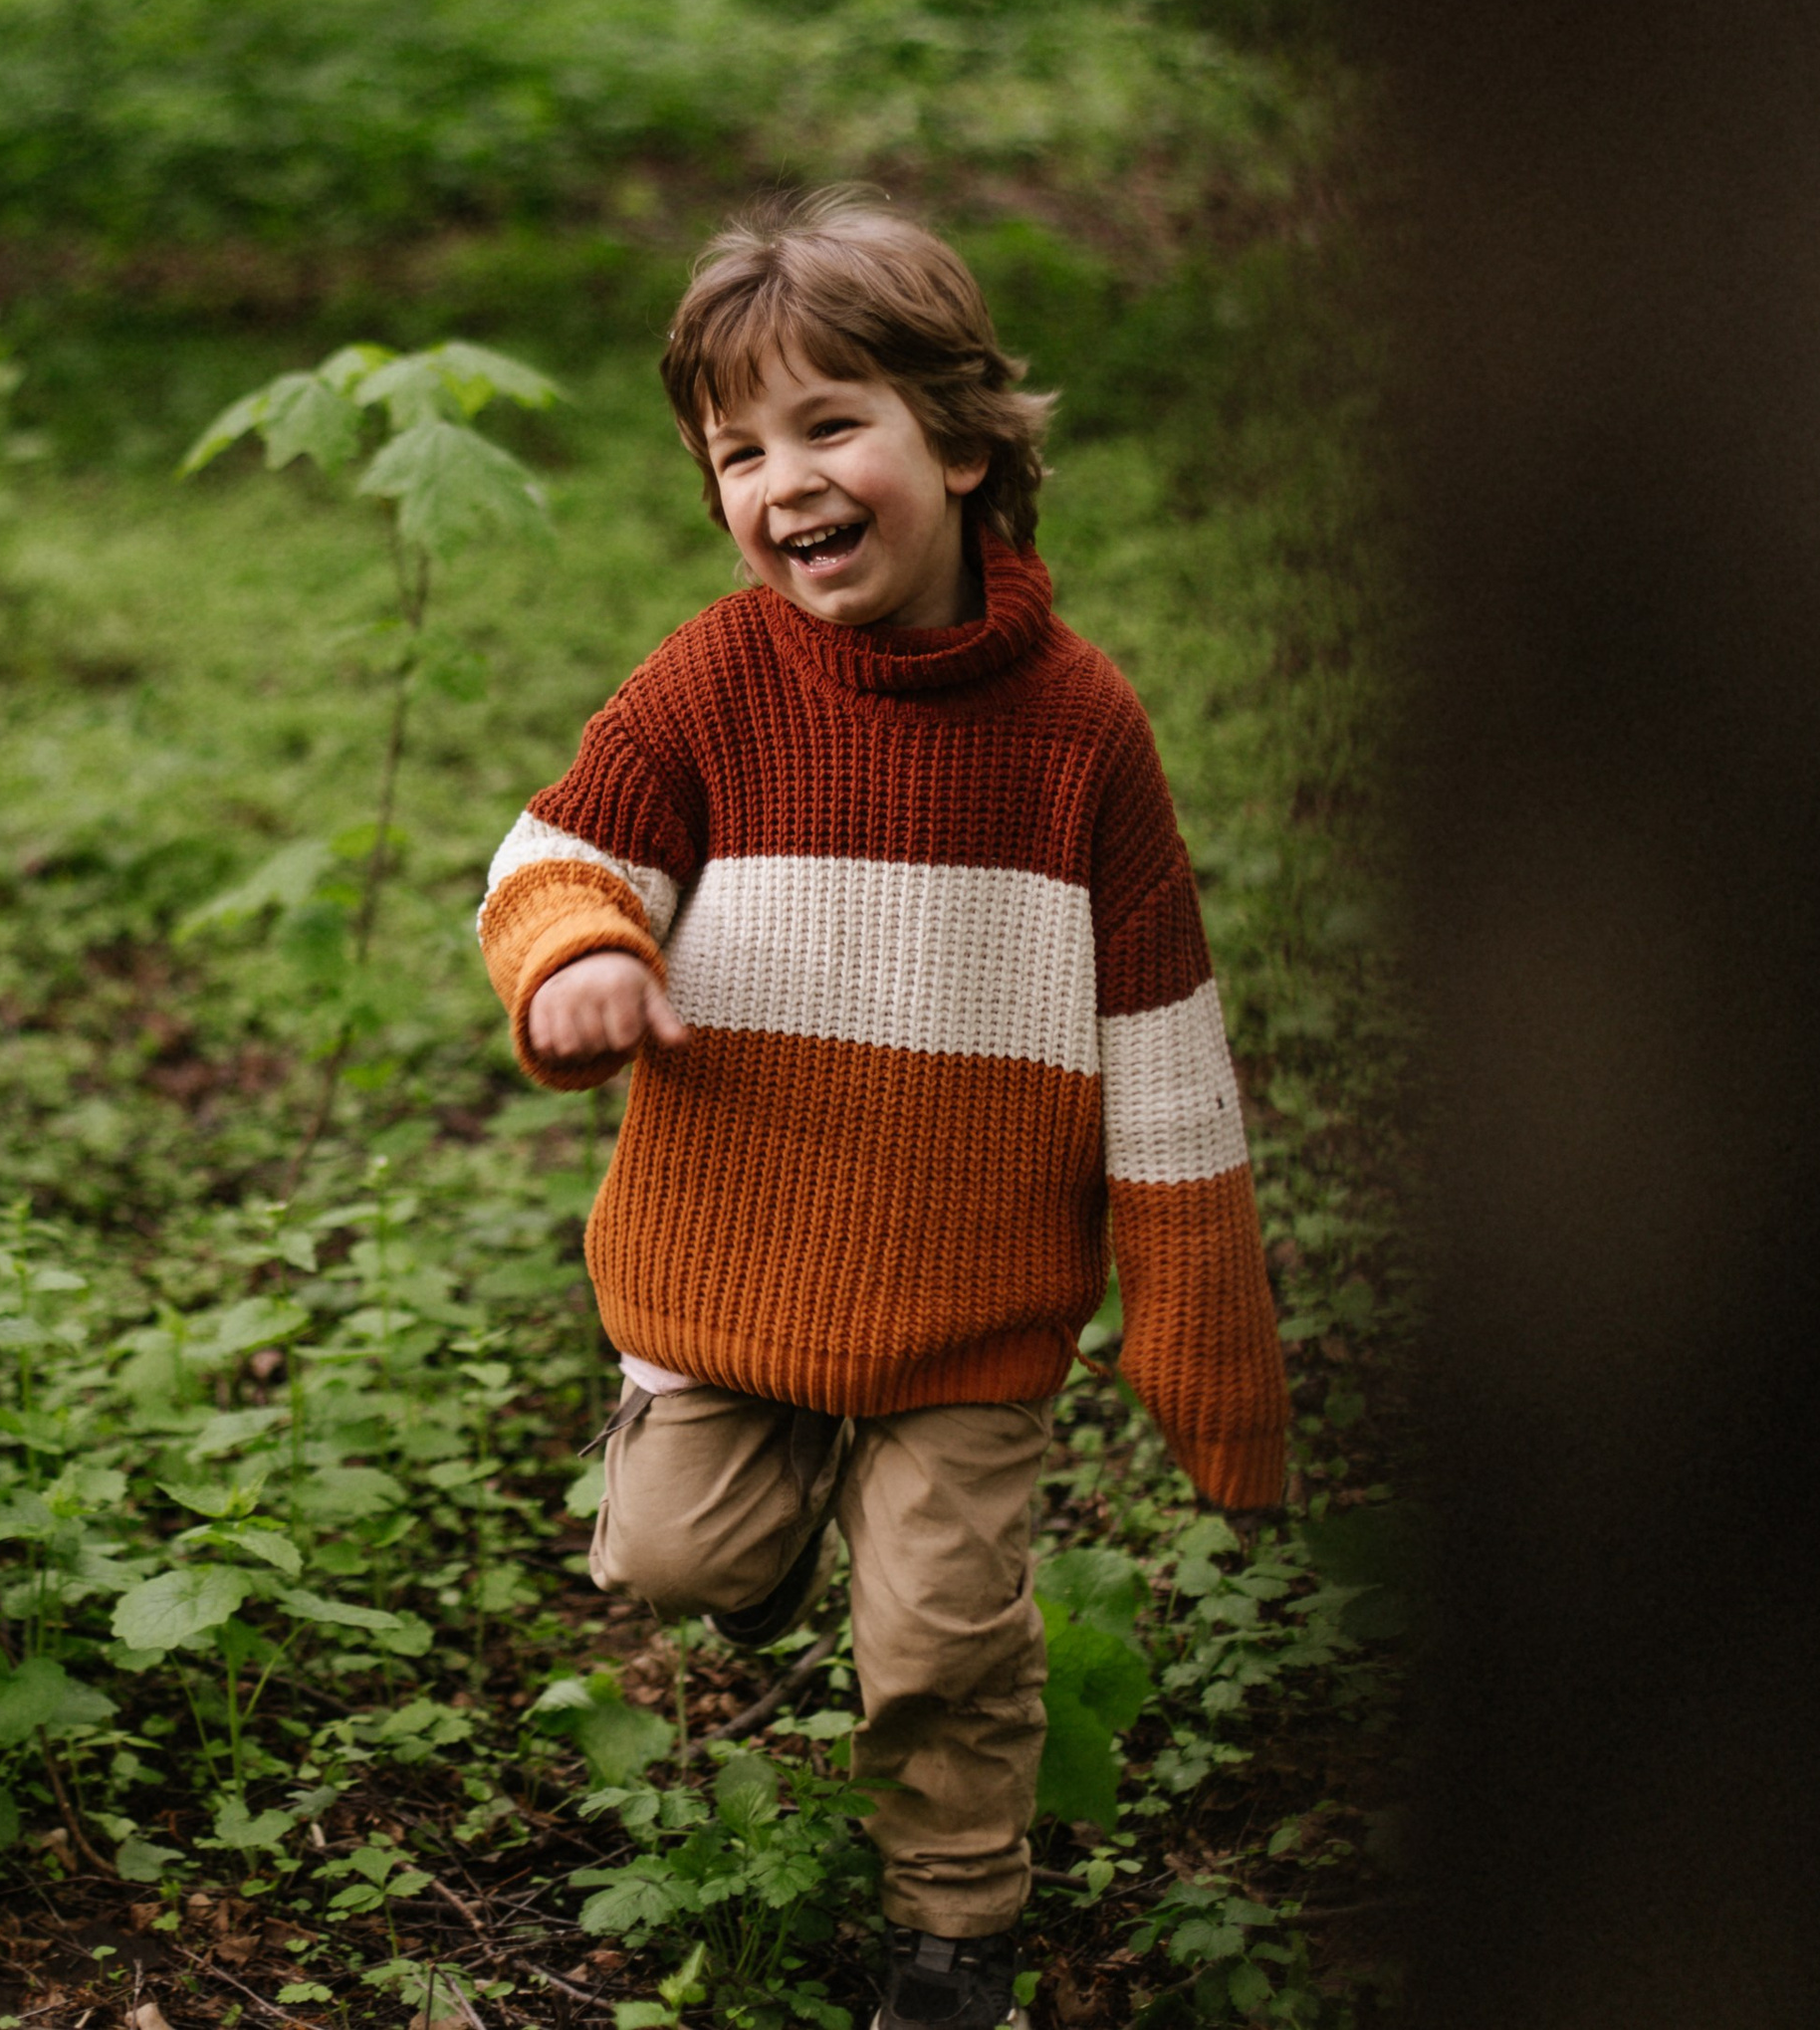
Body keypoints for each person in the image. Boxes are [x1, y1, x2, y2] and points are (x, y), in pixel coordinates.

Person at [476, 189, 1290, 2030]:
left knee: (936, 1638)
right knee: (678, 1555)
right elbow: (553, 854)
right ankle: (771, 1543)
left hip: (972, 1297)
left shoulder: (1082, 730)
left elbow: (1163, 1036)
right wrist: (579, 950)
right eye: (738, 453)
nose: (784, 484)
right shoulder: (713, 680)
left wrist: (1204, 1329)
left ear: (964, 441)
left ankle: (953, 1928)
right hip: (735, 1257)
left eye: (830, 426)